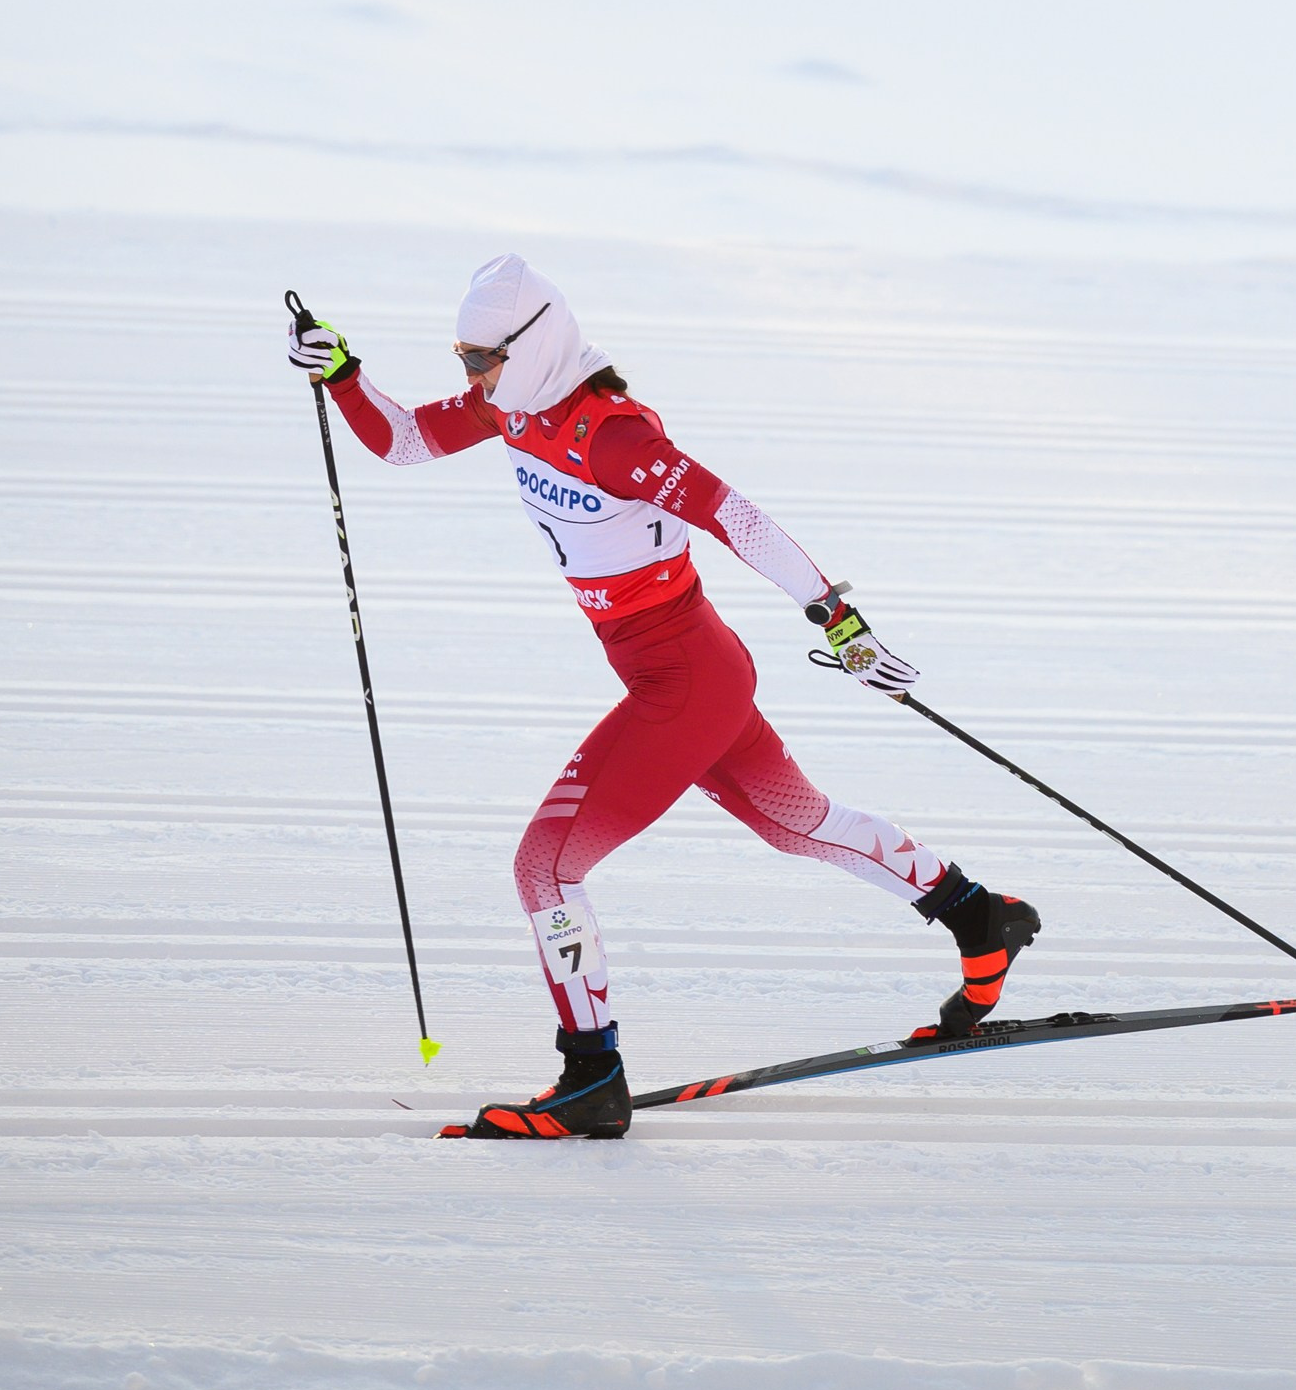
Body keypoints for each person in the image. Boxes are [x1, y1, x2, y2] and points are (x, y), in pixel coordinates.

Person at [287, 251, 1041, 1140]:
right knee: (794, 821)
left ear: (533, 346)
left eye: (481, 358)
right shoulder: (510, 407)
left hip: (682, 679)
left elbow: (737, 516)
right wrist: (343, 375)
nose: (471, 375)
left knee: (545, 867)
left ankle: (590, 1077)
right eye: (462, 358)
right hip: (686, 671)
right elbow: (404, 439)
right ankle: (978, 915)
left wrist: (838, 618)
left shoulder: (613, 436)